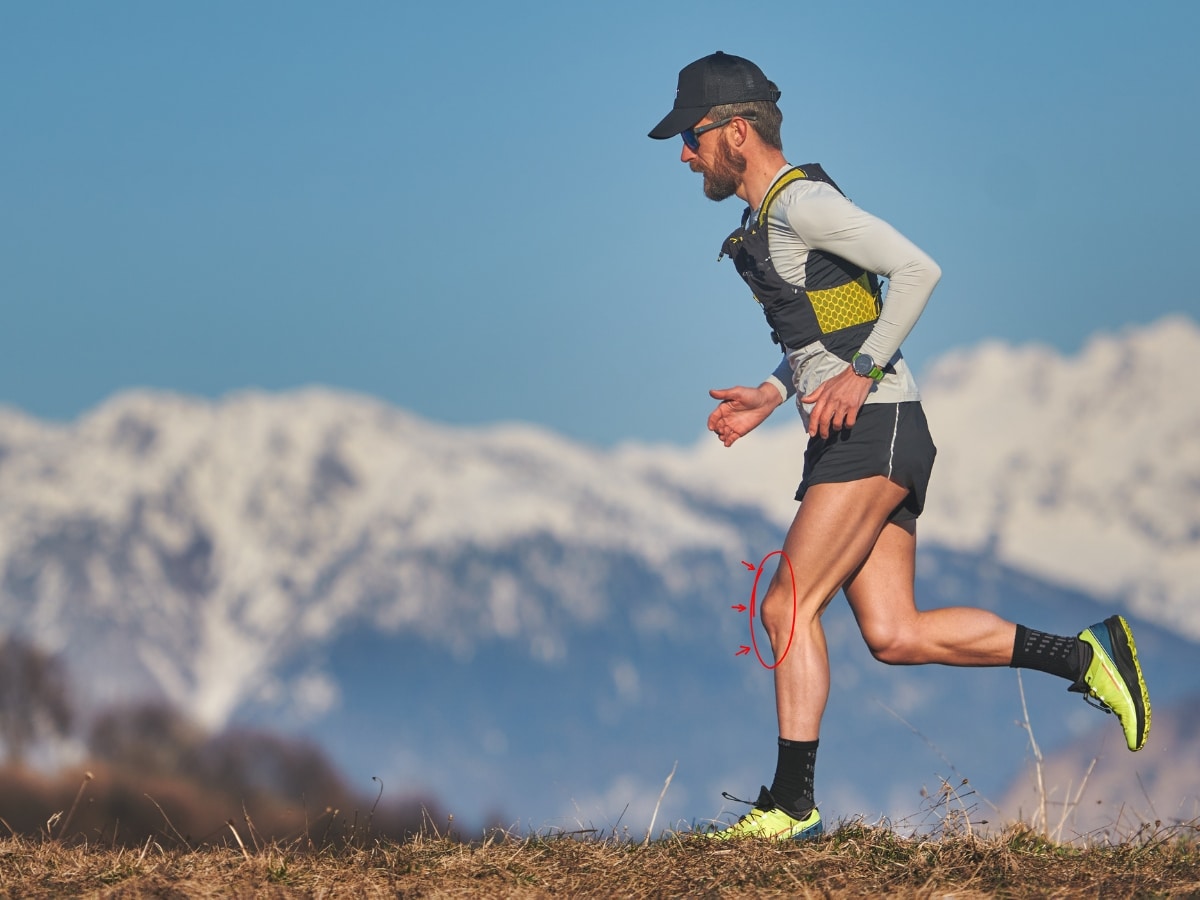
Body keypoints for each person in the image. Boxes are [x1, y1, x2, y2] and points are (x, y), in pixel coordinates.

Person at [648, 51, 1151, 841]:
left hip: (874, 429)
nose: (685, 154)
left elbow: (918, 270)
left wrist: (862, 374)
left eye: (692, 136)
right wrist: (773, 395)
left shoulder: (802, 204)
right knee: (894, 632)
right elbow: (835, 325)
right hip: (870, 430)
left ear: (736, 131)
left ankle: (791, 806)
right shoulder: (772, 218)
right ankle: (1087, 657)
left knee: (787, 605)